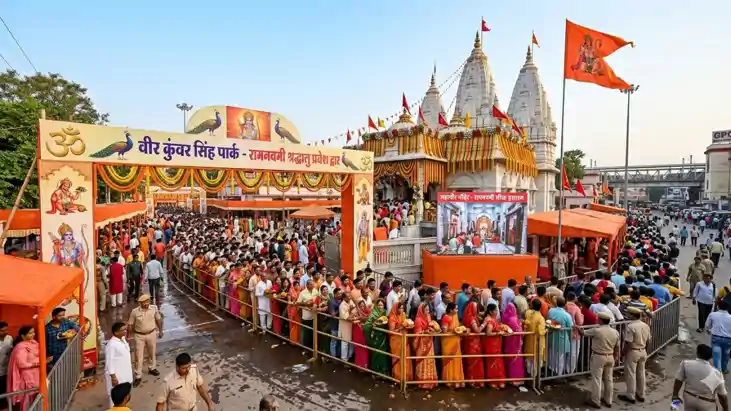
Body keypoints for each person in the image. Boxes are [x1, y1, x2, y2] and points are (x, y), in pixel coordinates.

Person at [672, 344, 728, 411]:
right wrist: (725, 409)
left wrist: (675, 395)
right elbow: (722, 396)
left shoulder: (685, 364)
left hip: (689, 399)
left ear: (697, 353)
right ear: (710, 357)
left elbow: (678, 381)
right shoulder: (717, 373)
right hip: (707, 403)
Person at [583, 311, 619, 409]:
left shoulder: (597, 330)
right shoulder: (615, 332)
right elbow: (617, 347)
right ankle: (608, 400)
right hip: (610, 356)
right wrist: (615, 357)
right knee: (609, 379)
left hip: (598, 356)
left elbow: (583, 333)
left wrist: (577, 327)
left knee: (597, 379)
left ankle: (595, 400)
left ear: (601, 320)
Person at [128, 294, 163, 387]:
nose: (146, 304)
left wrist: (160, 331)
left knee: (152, 353)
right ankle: (138, 375)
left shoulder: (154, 308)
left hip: (151, 333)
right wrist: (129, 336)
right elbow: (130, 324)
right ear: (140, 303)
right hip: (139, 336)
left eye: (147, 302)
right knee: (138, 356)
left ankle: (152, 368)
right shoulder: (134, 312)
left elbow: (158, 319)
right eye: (144, 302)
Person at [618, 307, 651, 404]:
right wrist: (645, 350)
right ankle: (641, 394)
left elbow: (628, 342)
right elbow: (649, 340)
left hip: (633, 351)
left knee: (630, 374)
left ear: (632, 315)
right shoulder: (646, 325)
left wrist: (623, 353)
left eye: (629, 314)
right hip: (643, 350)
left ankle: (630, 395)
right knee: (641, 373)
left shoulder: (631, 327)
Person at [6, 326, 39, 411]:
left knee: (36, 397)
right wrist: (37, 364)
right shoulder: (20, 347)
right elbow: (22, 364)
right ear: (23, 336)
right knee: (27, 398)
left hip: (36, 374)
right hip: (26, 376)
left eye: (33, 332)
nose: (33, 334)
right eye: (30, 333)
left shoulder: (34, 343)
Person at [104, 322, 133, 408]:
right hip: (117, 376)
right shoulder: (111, 345)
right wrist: (113, 377)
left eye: (125, 329)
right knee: (115, 397)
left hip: (125, 374)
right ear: (116, 333)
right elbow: (109, 361)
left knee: (124, 396)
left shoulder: (122, 339)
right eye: (123, 330)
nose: (125, 331)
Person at [439, 302, 464, 388]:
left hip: (456, 342)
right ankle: (449, 381)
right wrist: (452, 330)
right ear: (450, 310)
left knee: (456, 360)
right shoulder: (446, 317)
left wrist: (461, 329)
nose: (457, 310)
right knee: (449, 360)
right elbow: (444, 331)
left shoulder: (455, 316)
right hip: (448, 342)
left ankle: (457, 380)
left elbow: (458, 327)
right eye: (455, 309)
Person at [705, 300, 731, 373]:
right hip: (728, 340)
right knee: (726, 355)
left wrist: (709, 330)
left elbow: (707, 325)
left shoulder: (712, 315)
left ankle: (718, 371)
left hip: (716, 339)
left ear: (718, 307)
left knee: (716, 356)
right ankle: (724, 369)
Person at [0, 322, 13, 400]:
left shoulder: (9, 338)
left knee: (6, 388)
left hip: (7, 368)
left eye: (6, 330)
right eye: (2, 330)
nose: (5, 332)